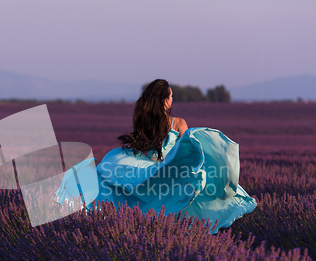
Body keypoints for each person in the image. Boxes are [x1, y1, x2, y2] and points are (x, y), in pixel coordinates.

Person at [56, 79, 257, 234]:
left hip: (148, 167)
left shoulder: (144, 122)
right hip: (168, 169)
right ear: (164, 100)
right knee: (191, 190)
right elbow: (184, 152)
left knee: (138, 197)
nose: (172, 100)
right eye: (170, 97)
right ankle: (185, 231)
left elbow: (142, 148)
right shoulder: (178, 123)